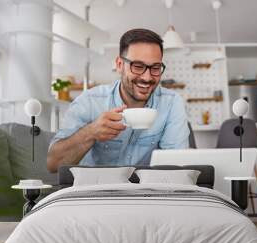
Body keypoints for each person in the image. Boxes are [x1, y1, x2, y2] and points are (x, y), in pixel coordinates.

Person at [47, 28, 189, 173]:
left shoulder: (171, 103)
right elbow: (53, 164)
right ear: (120, 65)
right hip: (97, 191)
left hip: (146, 192)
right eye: (138, 66)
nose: (147, 78)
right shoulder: (89, 101)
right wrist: (91, 132)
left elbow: (176, 168)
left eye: (155, 68)